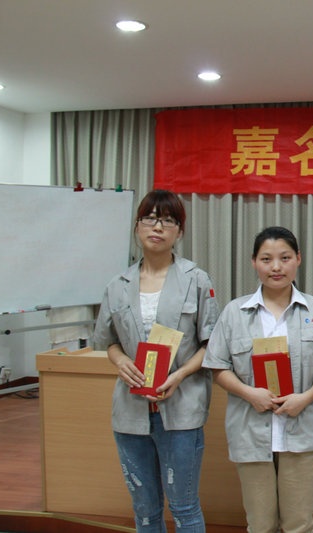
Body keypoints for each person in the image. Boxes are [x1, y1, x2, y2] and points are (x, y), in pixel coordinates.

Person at [92, 189, 220, 533]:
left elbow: (211, 346)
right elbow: (109, 342)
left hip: (181, 408)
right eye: (150, 218)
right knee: (145, 510)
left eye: (168, 220)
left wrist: (179, 375)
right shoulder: (117, 285)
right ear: (137, 227)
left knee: (184, 507)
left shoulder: (196, 279)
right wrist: (120, 361)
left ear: (180, 231)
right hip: (130, 410)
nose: (158, 227)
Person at [203, 226, 313, 533]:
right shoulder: (235, 312)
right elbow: (217, 366)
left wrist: (304, 398)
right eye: (266, 259)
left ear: (298, 259)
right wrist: (249, 393)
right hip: (251, 432)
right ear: (254, 262)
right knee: (260, 525)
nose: (276, 267)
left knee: (299, 524)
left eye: (285, 258)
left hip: (302, 432)